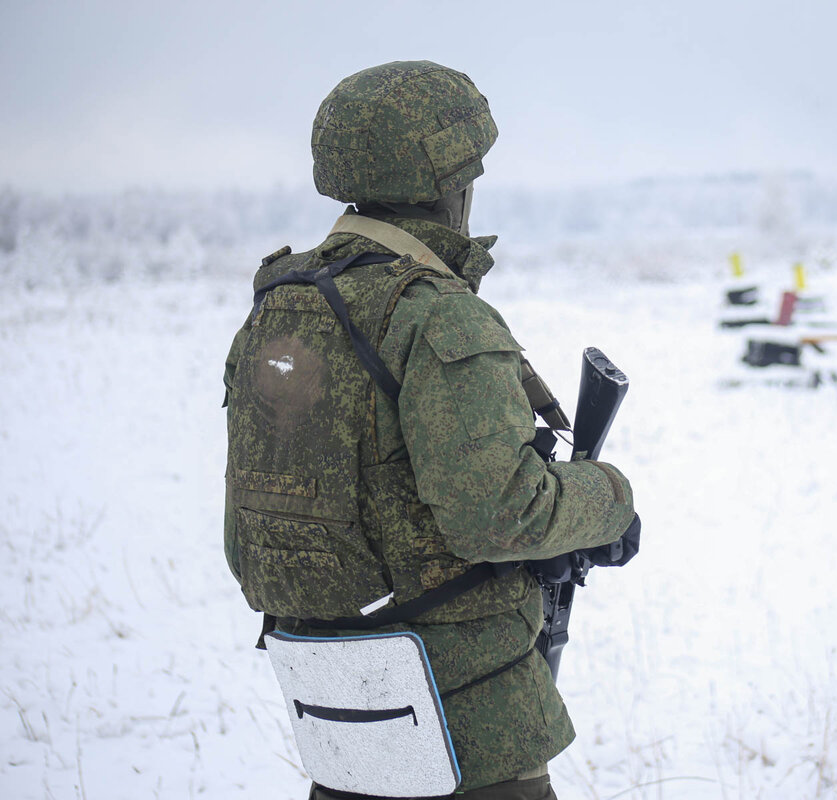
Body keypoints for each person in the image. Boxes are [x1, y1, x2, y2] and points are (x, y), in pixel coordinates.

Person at [222, 61, 638, 800]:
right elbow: (500, 513)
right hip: (463, 717)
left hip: (333, 698)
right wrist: (608, 498)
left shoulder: (279, 305)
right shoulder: (436, 314)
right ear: (453, 182)